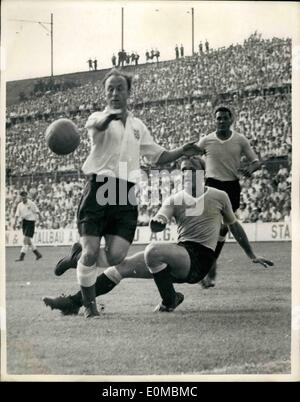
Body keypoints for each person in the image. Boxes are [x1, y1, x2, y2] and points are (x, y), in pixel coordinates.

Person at [51, 68, 200, 319]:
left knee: (116, 257)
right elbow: (99, 125)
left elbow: (158, 155)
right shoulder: (96, 118)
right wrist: (109, 117)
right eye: (110, 89)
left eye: (120, 88)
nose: (114, 93)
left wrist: (181, 151)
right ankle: (89, 306)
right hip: (99, 188)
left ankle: (76, 256)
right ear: (105, 93)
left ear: (129, 92)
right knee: (91, 252)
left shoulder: (137, 126)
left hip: (125, 194)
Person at [43, 158, 273, 316]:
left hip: (199, 259)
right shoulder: (175, 199)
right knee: (119, 267)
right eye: (183, 171)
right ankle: (73, 303)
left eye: (191, 170)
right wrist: (158, 222)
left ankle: (169, 301)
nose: (186, 174)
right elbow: (160, 218)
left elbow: (233, 225)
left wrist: (251, 254)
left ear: (202, 173)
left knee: (154, 250)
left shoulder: (219, 196)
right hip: (179, 253)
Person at [196, 105, 261, 288]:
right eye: (218, 118)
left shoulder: (240, 140)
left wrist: (251, 168)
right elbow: (192, 156)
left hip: (231, 186)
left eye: (225, 118)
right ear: (214, 120)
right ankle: (208, 269)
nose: (222, 121)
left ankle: (209, 268)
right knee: (213, 228)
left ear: (231, 119)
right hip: (212, 186)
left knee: (224, 229)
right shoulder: (206, 140)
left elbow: (255, 161)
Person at [13, 191, 42, 262]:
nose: (23, 197)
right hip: (24, 222)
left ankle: (21, 257)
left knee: (25, 240)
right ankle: (38, 254)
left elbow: (37, 211)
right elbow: (17, 215)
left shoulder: (31, 203)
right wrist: (15, 223)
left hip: (31, 222)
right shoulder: (19, 205)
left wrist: (41, 218)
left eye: (24, 196)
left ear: (26, 196)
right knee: (28, 241)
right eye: (22, 196)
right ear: (20, 197)